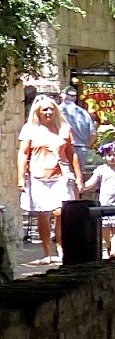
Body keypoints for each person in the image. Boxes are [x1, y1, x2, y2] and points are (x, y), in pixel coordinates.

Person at [16, 95, 84, 264]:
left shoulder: (64, 128)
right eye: (45, 109)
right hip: (38, 177)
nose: (49, 112)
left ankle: (61, 246)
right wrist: (21, 177)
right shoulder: (30, 129)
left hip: (60, 176)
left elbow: (71, 153)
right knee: (43, 215)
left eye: (51, 109)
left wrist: (79, 177)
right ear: (38, 112)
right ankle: (47, 252)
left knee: (60, 212)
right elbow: (23, 153)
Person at [81, 141, 115, 258]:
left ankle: (113, 251)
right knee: (105, 229)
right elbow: (91, 182)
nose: (112, 158)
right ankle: (108, 245)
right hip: (104, 204)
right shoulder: (101, 169)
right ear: (104, 155)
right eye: (109, 155)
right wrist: (82, 187)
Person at [59, 86, 98, 173]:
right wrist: (86, 146)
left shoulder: (58, 111)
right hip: (82, 149)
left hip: (63, 148)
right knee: (78, 175)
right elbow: (93, 134)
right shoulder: (84, 113)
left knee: (63, 176)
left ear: (62, 96)